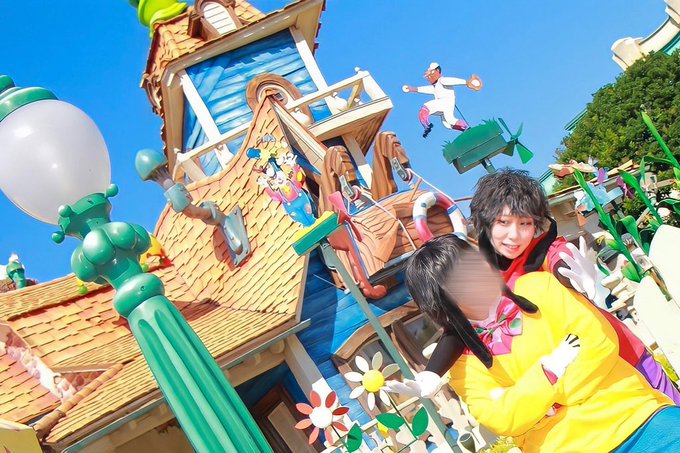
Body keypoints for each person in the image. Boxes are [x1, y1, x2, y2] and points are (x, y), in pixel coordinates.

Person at [416, 169, 680, 404]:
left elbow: (560, 262)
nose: (514, 235)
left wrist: (579, 280)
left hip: (624, 357)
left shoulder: (548, 251)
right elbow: (458, 331)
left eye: (524, 223)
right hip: (571, 386)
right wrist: (431, 372)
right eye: (503, 223)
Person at [399, 234, 679, 453]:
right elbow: (502, 418)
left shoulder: (539, 288)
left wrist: (543, 406)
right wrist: (549, 372)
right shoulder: (462, 362)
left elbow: (598, 342)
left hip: (635, 416)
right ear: (442, 301)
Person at [402, 62, 481, 138]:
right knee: (448, 123)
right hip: (446, 104)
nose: (429, 77)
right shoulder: (435, 86)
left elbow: (451, 81)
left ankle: (427, 125)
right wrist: (413, 89)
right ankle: (466, 129)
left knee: (427, 107)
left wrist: (466, 82)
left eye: (432, 73)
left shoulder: (442, 80)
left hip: (445, 102)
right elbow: (427, 89)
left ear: (437, 71)